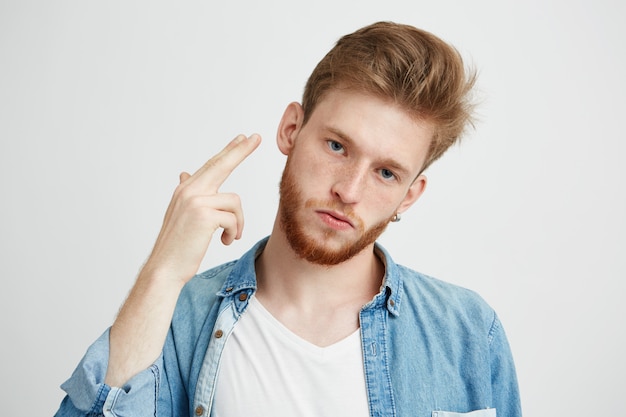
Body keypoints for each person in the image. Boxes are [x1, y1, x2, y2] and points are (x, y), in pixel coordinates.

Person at [54, 21, 521, 417]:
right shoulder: (181, 319)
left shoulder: (467, 333)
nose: (349, 191)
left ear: (409, 195)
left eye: (386, 172)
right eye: (337, 146)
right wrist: (163, 272)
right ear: (291, 129)